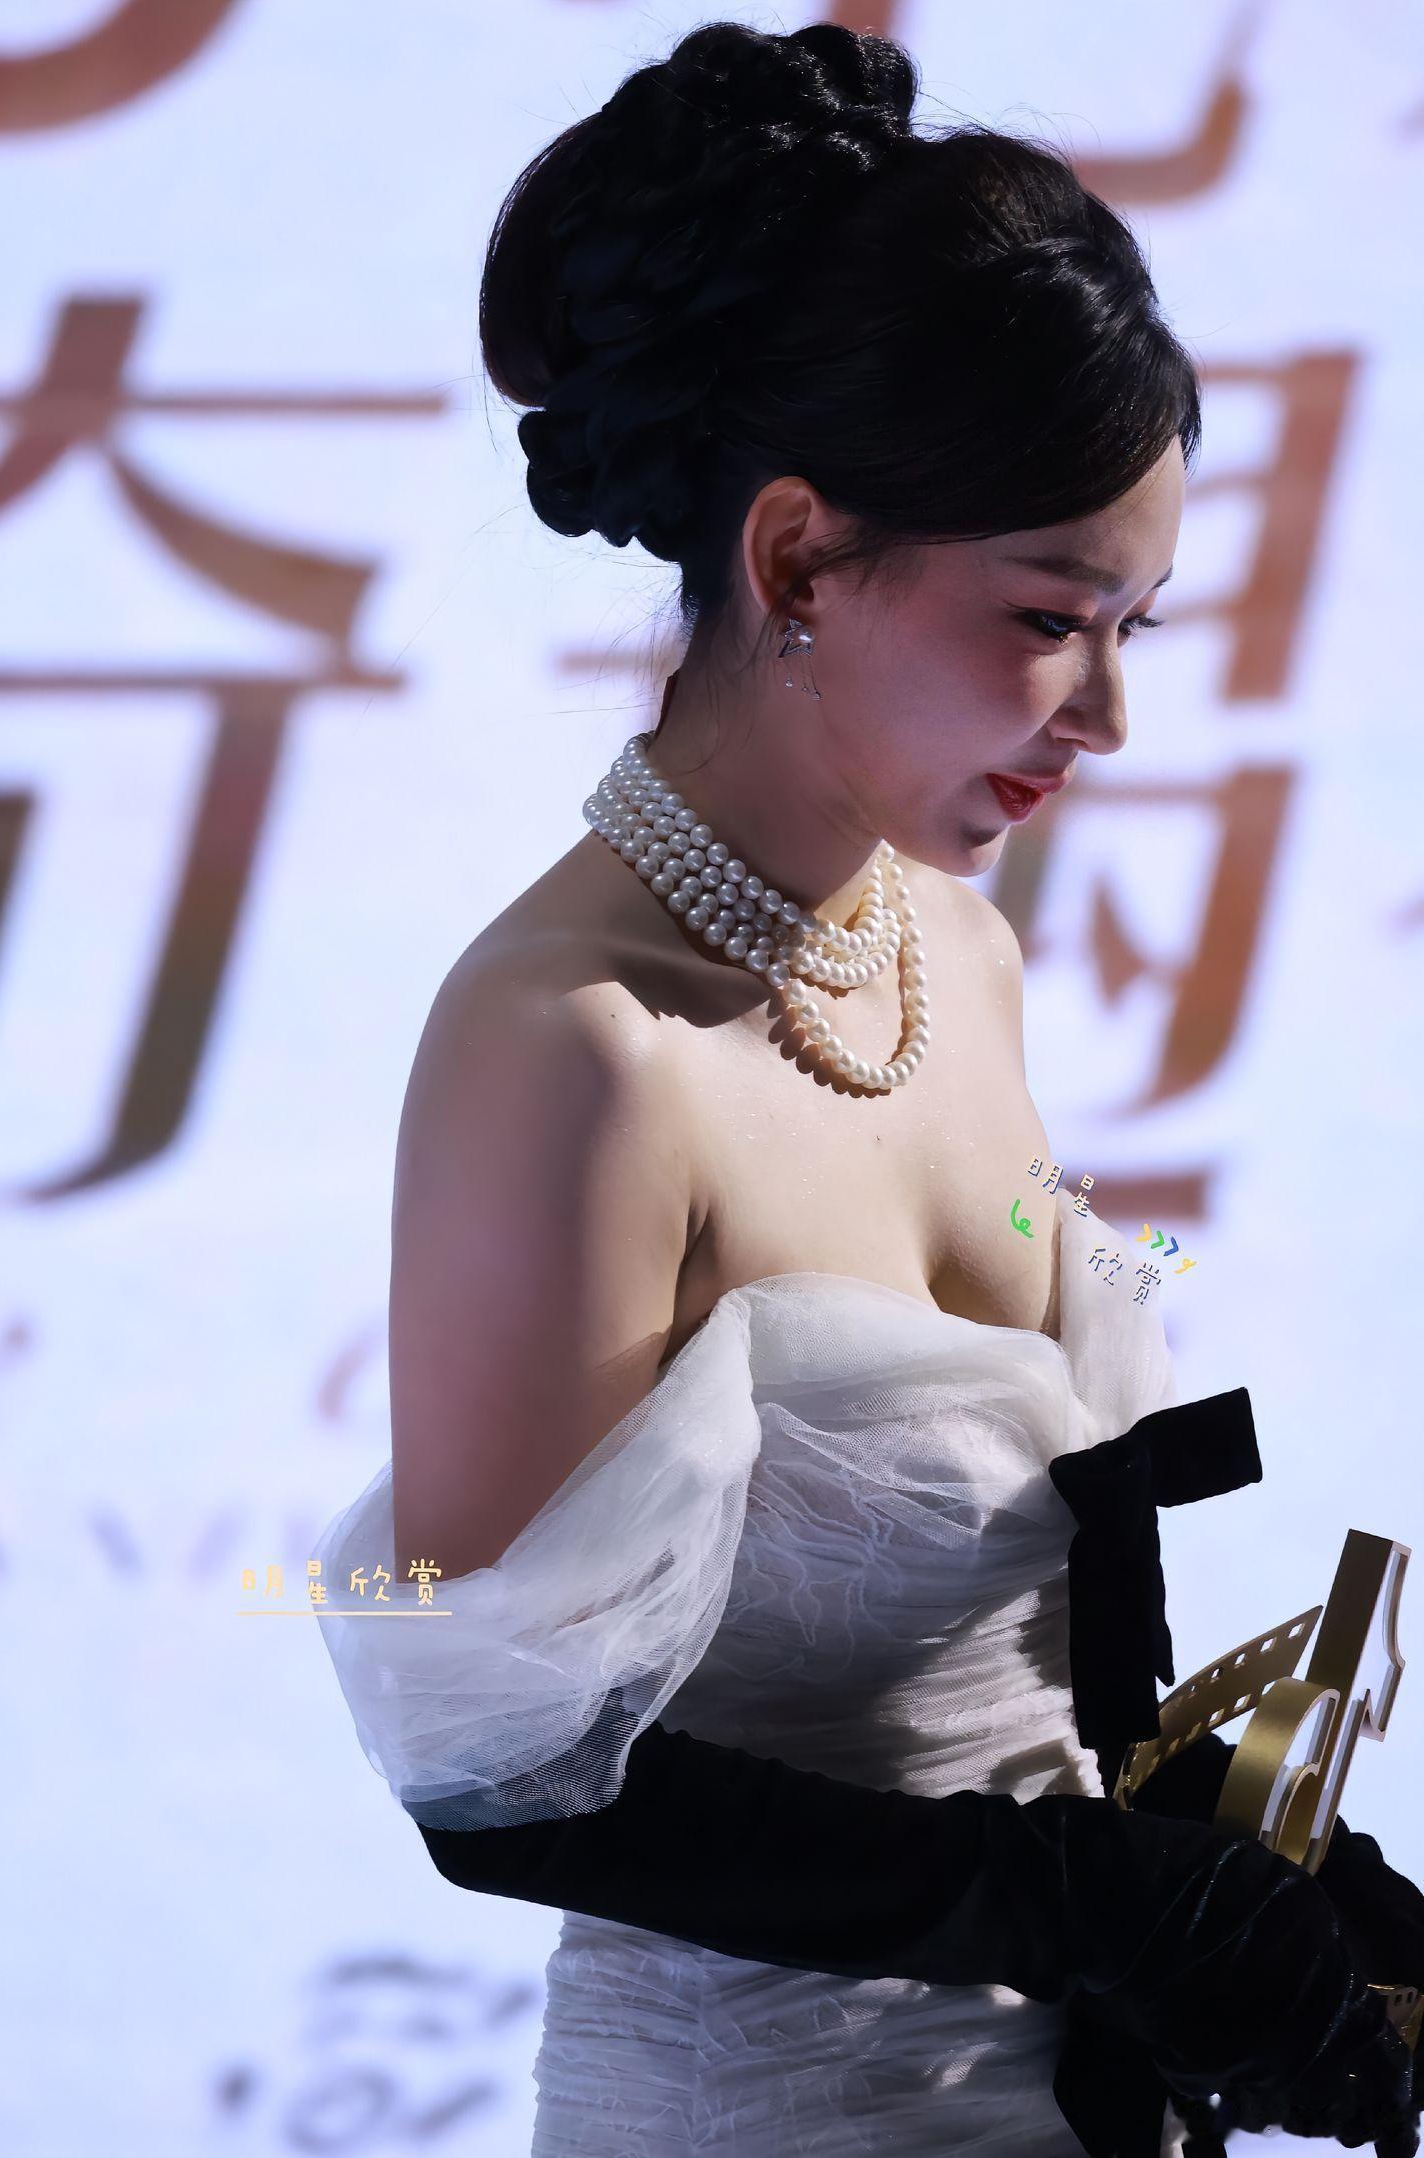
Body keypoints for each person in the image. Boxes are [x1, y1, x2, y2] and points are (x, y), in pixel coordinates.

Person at [311, 20, 1424, 2156]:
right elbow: (497, 1776)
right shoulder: (570, 1049)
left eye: (1140, 625)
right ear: (799, 558)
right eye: (1051, 616)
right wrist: (1087, 1902)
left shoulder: (959, 960)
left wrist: (1266, 1879)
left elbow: (1030, 1632)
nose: (1107, 712)